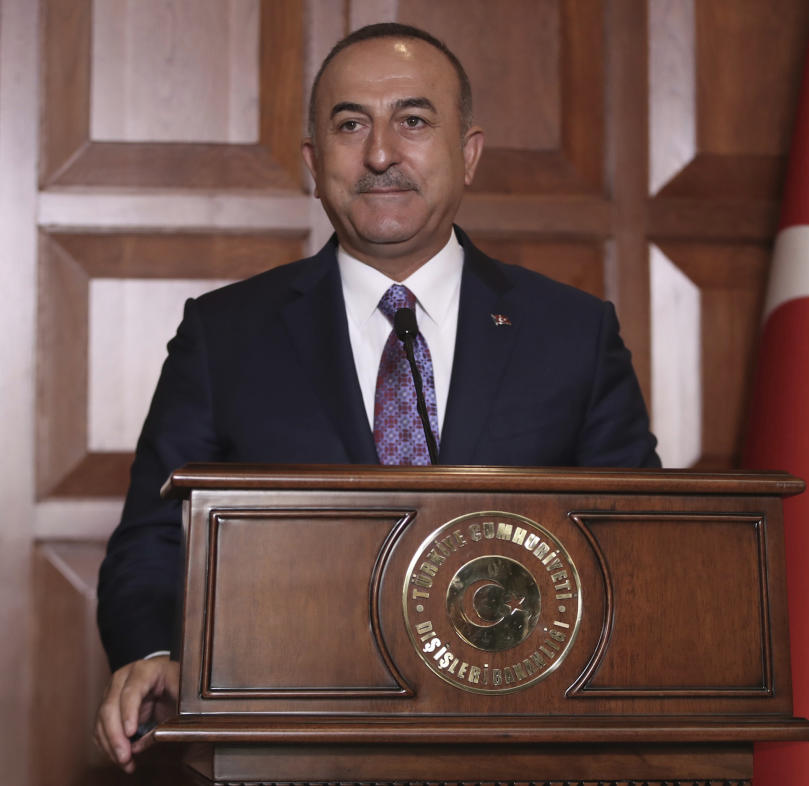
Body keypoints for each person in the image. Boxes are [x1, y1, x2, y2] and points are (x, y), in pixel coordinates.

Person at [93, 22, 660, 773]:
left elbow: (641, 549)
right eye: (350, 123)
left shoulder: (573, 334)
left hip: (523, 749)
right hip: (287, 751)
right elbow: (154, 538)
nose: (382, 154)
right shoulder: (224, 334)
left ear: (469, 153)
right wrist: (154, 651)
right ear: (313, 161)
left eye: (414, 121)